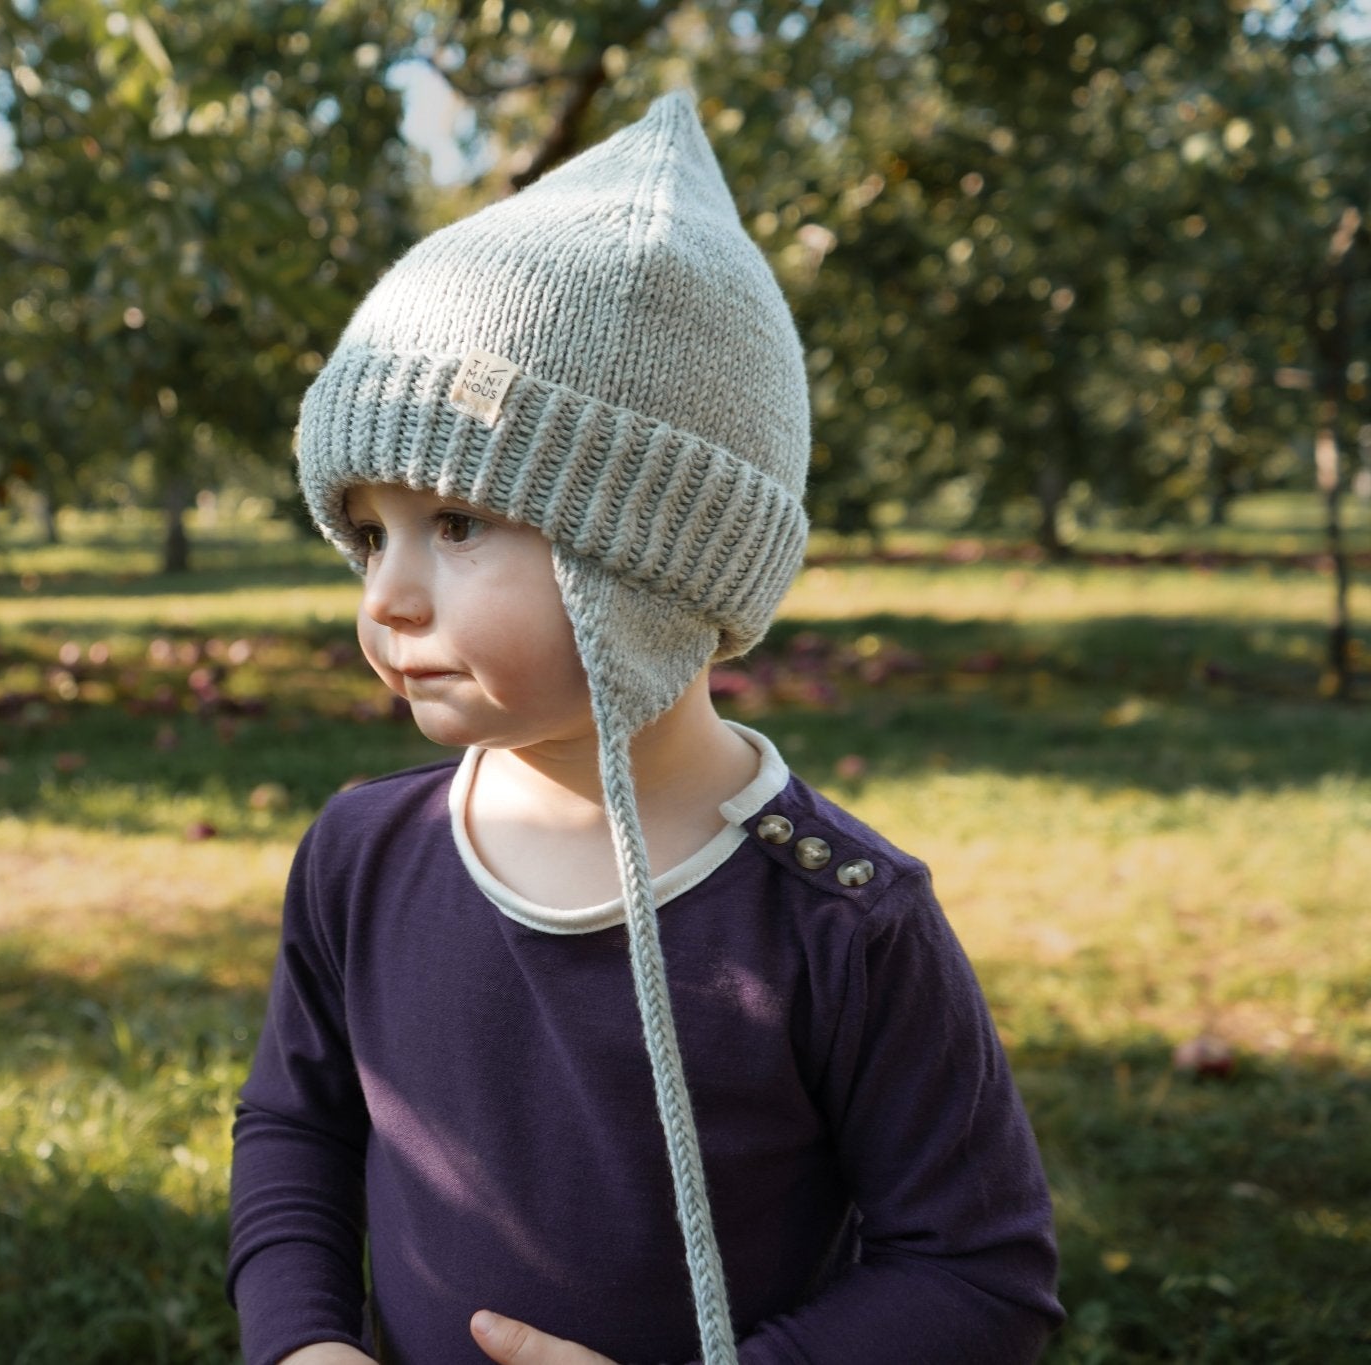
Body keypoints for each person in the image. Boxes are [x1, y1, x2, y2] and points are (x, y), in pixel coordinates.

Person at [225, 90, 1064, 1365]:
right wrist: (300, 1341)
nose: (384, 596)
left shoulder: (840, 922)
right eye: (368, 530)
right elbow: (297, 1125)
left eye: (455, 526)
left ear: (653, 563)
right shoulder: (360, 854)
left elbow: (977, 1276)